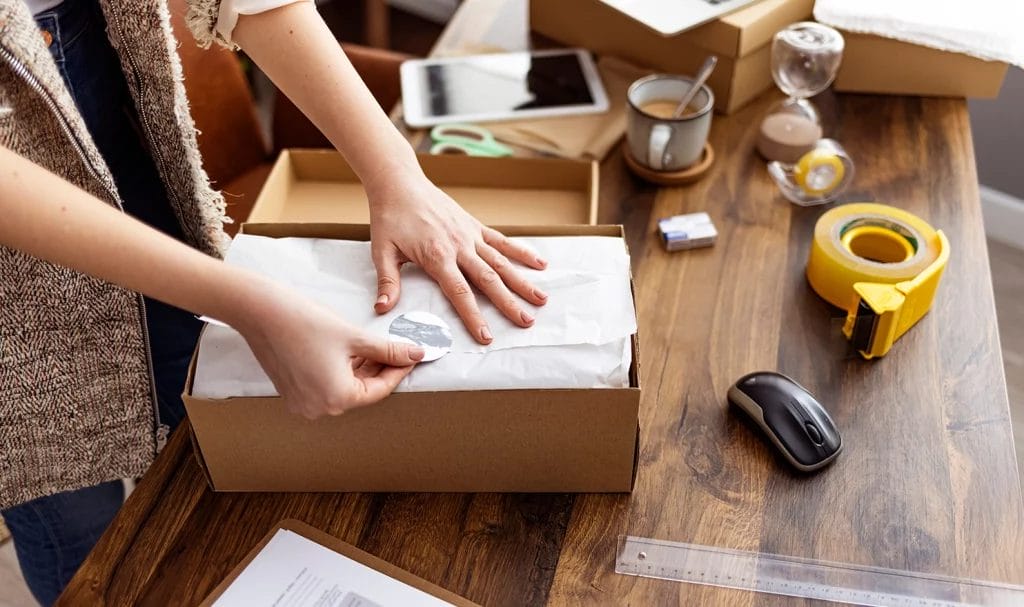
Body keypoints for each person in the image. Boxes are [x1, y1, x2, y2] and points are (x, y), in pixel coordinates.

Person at [0, 0, 547, 603]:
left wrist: (397, 172)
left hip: (115, 111)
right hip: (12, 314)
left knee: (202, 446)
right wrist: (251, 304)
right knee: (75, 521)